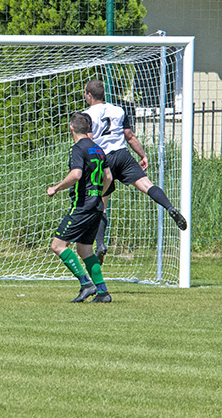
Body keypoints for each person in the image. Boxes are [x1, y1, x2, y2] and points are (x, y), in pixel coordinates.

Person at [82, 79, 187, 264]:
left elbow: (88, 141)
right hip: (123, 155)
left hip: (103, 159)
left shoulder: (86, 115)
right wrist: (143, 154)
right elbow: (129, 136)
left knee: (102, 204)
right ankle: (170, 207)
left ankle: (100, 244)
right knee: (147, 185)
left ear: (89, 95)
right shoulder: (118, 110)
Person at [48, 113, 114, 303]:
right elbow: (108, 177)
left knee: (58, 245)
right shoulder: (98, 149)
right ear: (88, 129)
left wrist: (56, 188)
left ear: (71, 128)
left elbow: (76, 174)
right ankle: (103, 292)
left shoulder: (77, 148)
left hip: (82, 206)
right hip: (96, 205)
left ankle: (86, 283)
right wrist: (100, 195)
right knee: (85, 249)